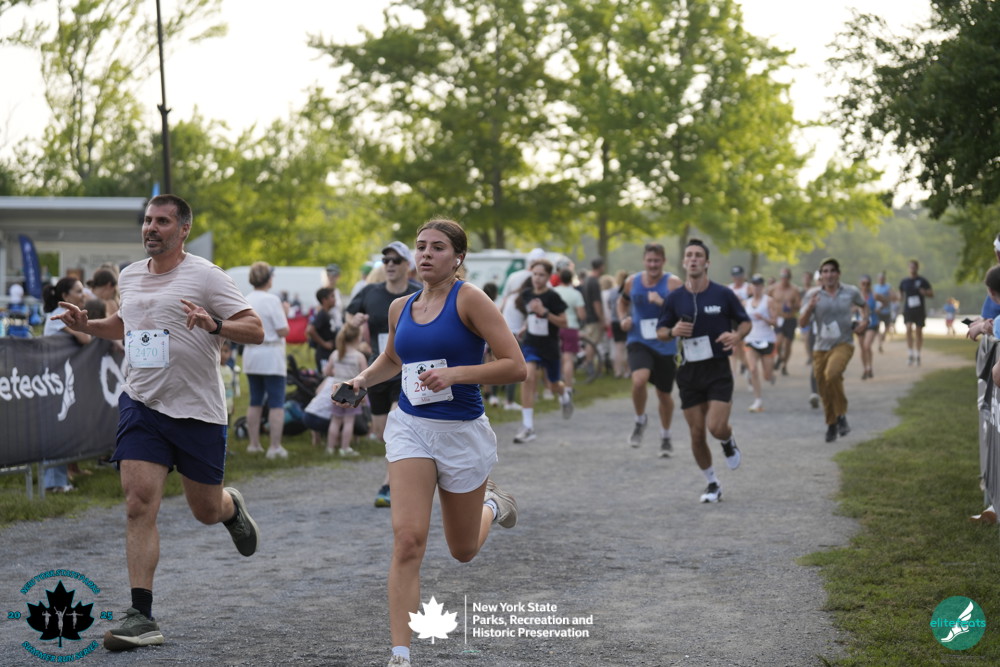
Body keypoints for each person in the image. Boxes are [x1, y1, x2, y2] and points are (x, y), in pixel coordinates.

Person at [52, 194, 264, 651]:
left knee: (205, 510)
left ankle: (230, 507)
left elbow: (255, 328)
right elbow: (125, 324)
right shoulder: (129, 275)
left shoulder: (206, 276)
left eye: (163, 221)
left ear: (183, 229)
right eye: (148, 220)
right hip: (142, 403)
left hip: (197, 410)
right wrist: (89, 325)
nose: (151, 227)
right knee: (137, 503)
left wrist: (213, 325)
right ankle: (141, 616)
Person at [331, 218, 526, 667]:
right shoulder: (400, 307)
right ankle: (400, 653)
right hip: (411, 428)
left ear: (458, 257)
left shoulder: (470, 299)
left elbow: (515, 366)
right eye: (421, 246)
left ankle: (493, 504)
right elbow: (392, 358)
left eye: (438, 247)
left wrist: (456, 374)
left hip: (461, 433)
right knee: (408, 540)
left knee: (462, 550)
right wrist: (362, 380)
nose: (425, 254)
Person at [657, 239, 750, 503]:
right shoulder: (675, 298)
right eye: (689, 255)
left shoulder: (723, 294)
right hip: (689, 372)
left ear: (707, 262)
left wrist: (737, 335)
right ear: (684, 262)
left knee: (716, 427)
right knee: (697, 433)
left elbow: (745, 322)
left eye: (698, 255)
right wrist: (673, 331)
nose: (693, 259)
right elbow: (660, 331)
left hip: (718, 369)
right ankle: (712, 483)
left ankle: (727, 440)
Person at [346, 241, 421, 507]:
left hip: (407, 368)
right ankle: (410, 469)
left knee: (395, 423)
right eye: (386, 260)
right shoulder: (370, 292)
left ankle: (390, 484)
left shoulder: (418, 293)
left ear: (407, 265)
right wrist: (354, 323)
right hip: (379, 367)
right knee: (381, 432)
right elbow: (350, 315)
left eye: (395, 260)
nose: (389, 265)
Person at [617, 243, 683, 455]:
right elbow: (622, 302)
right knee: (639, 380)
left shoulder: (673, 283)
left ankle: (666, 436)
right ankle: (640, 420)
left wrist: (662, 302)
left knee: (664, 395)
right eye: (649, 260)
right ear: (644, 261)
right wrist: (623, 319)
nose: (653, 265)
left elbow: (684, 312)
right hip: (639, 339)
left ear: (664, 261)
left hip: (665, 345)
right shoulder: (632, 281)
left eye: (657, 261)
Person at [798, 257, 868, 442]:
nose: (828, 275)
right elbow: (802, 323)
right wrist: (810, 307)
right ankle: (832, 423)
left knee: (832, 374)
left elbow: (864, 305)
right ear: (821, 275)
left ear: (838, 274)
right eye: (825, 272)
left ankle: (841, 415)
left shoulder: (851, 291)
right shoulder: (813, 295)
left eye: (832, 271)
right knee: (824, 387)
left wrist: (864, 321)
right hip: (820, 347)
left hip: (843, 343)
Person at [42, 277, 94, 493]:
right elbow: (85, 339)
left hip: (63, 379)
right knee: (57, 429)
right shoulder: (58, 315)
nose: (84, 295)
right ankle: (54, 482)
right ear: (65, 296)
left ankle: (66, 473)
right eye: (79, 291)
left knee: (67, 426)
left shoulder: (68, 316)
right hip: (52, 381)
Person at [513, 258, 571, 443]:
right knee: (528, 376)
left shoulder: (553, 297)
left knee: (553, 385)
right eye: (535, 274)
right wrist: (525, 326)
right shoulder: (527, 294)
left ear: (548, 277)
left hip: (550, 346)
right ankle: (528, 426)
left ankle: (563, 393)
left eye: (541, 275)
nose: (537, 278)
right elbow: (531, 315)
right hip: (531, 343)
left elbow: (564, 322)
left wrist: (544, 312)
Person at [243, 261, 290, 460]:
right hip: (271, 356)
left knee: (255, 401)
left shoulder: (245, 298)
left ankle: (253, 444)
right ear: (268, 278)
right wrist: (285, 313)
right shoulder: (272, 300)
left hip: (252, 354)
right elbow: (283, 330)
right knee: (276, 403)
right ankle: (274, 446)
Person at [304, 322, 369, 455]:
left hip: (337, 388)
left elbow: (326, 371)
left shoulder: (335, 354)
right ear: (358, 338)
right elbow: (365, 376)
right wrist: (364, 394)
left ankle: (330, 447)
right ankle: (344, 448)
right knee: (349, 421)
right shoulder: (359, 356)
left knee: (336, 419)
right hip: (352, 389)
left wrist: (338, 372)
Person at [743, 274, 777, 413]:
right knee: (753, 369)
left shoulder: (769, 301)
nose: (756, 288)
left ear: (762, 286)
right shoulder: (745, 303)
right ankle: (758, 400)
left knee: (767, 376)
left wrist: (763, 318)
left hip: (767, 339)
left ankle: (771, 375)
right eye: (754, 285)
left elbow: (775, 322)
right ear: (751, 287)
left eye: (759, 285)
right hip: (751, 339)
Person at [554, 267, 586, 412]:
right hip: (571, 327)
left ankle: (556, 386)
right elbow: (582, 315)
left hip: (555, 327)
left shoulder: (554, 291)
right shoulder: (576, 294)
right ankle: (568, 387)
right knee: (568, 359)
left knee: (557, 358)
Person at [899, 259, 934, 366]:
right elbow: (900, 295)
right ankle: (910, 353)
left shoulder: (922, 281)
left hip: (919, 310)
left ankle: (918, 354)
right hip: (908, 310)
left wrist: (925, 292)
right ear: (908, 268)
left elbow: (931, 294)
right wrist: (895, 298)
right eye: (910, 267)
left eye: (914, 267)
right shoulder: (904, 282)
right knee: (908, 328)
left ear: (917, 268)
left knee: (918, 331)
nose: (912, 268)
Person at [768, 268, 802, 376]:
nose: (784, 279)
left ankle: (784, 365)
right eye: (782, 276)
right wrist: (771, 312)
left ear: (789, 278)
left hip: (790, 319)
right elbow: (767, 300)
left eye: (786, 277)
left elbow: (799, 305)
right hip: (778, 319)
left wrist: (793, 305)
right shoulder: (773, 288)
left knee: (787, 344)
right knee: (778, 342)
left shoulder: (794, 289)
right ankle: (780, 357)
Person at [580, 257, 606, 381]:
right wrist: (601, 318)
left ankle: (589, 366)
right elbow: (596, 303)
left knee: (590, 342)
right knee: (592, 343)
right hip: (593, 318)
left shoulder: (587, 280)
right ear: (601, 266)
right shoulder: (594, 282)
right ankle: (590, 367)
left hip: (588, 316)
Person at [306, 287, 338, 372]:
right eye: (332, 296)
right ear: (324, 300)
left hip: (329, 354)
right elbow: (310, 330)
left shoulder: (327, 314)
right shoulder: (322, 314)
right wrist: (324, 344)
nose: (335, 299)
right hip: (324, 355)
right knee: (325, 376)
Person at [856, 275, 879, 380]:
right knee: (862, 348)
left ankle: (869, 367)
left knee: (866, 345)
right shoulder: (856, 295)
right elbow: (850, 307)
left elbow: (886, 301)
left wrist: (880, 308)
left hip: (871, 323)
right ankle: (865, 368)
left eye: (867, 283)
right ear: (860, 284)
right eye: (863, 283)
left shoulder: (874, 294)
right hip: (860, 324)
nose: (865, 286)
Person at [872, 271, 896, 352]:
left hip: (886, 310)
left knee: (887, 326)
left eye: (882, 278)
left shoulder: (888, 287)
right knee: (878, 327)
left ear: (884, 279)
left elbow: (892, 297)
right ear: (878, 279)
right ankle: (880, 344)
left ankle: (883, 336)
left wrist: (884, 300)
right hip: (878, 311)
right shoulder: (875, 287)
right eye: (880, 278)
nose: (881, 280)